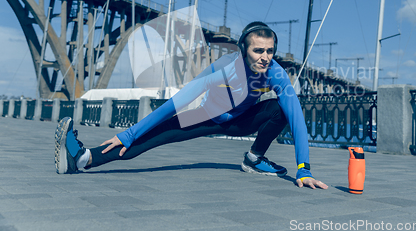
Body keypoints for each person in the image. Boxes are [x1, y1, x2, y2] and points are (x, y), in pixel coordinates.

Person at [54, 21, 328, 189]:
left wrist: (304, 169)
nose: (265, 57)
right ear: (243, 49)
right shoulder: (223, 68)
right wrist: (129, 133)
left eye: (270, 51)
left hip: (242, 121)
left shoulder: (276, 73)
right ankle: (83, 159)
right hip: (207, 115)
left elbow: (296, 117)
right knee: (150, 137)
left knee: (281, 108)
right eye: (259, 50)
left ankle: (254, 159)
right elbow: (176, 103)